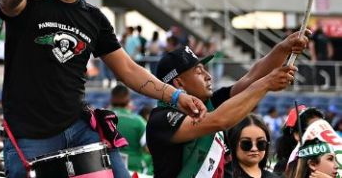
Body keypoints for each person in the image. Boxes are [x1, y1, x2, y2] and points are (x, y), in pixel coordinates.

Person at [0, 0, 208, 178]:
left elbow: (127, 70)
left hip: (78, 126)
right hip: (30, 133)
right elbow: (6, 3)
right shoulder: (29, 4)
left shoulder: (94, 18)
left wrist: (176, 96)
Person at [145, 31, 306, 178]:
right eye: (199, 72)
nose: (208, 76)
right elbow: (218, 120)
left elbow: (252, 77)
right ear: (179, 83)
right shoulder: (162, 119)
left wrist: (284, 48)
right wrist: (266, 84)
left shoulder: (209, 104)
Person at [110, 84, 149, 174]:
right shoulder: (138, 121)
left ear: (111, 99)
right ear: (128, 100)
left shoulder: (101, 119)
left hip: (109, 169)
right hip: (135, 169)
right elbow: (148, 148)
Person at [274, 106, 325, 174]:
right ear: (297, 135)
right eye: (314, 130)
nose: (320, 135)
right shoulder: (284, 169)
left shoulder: (330, 164)